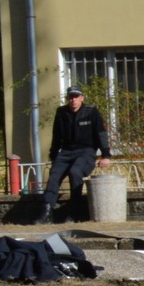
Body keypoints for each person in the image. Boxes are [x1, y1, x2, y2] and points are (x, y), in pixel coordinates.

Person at [43, 86, 110, 220]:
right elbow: (56, 135)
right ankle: (46, 211)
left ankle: (74, 212)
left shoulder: (91, 111)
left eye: (76, 97)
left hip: (86, 151)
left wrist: (106, 155)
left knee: (75, 172)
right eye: (71, 97)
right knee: (54, 175)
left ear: (81, 98)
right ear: (68, 98)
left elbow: (100, 133)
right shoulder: (61, 112)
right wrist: (54, 155)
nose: (73, 100)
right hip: (66, 151)